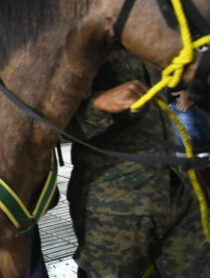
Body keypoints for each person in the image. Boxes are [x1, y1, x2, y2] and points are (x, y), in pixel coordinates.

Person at [67, 49, 210, 276]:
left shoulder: (173, 34)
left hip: (183, 190)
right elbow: (45, 127)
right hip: (117, 205)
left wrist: (197, 89)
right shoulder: (82, 42)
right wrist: (98, 106)